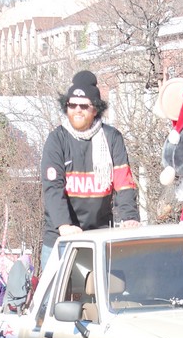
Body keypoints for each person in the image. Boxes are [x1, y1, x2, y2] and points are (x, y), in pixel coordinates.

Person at [40, 70, 141, 265]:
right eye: (72, 105)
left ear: (95, 109)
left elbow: (124, 183)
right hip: (61, 237)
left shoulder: (112, 138)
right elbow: (53, 188)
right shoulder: (57, 140)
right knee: (55, 294)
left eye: (84, 106)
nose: (77, 110)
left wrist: (129, 217)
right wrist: (64, 225)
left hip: (99, 235)